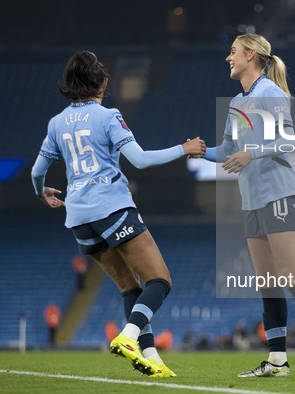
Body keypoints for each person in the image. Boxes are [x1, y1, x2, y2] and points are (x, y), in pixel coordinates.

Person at [31, 50, 206, 377]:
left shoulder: (56, 124)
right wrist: (184, 149)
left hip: (79, 219)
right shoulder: (108, 116)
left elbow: (37, 171)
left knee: (131, 289)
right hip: (112, 208)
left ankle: (151, 357)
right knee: (161, 280)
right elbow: (139, 160)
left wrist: (42, 191)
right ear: (104, 82)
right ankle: (128, 336)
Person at [198, 33, 295, 378]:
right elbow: (229, 150)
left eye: (232, 52)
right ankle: (277, 361)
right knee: (268, 283)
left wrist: (252, 152)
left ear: (251, 55)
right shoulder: (236, 103)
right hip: (253, 201)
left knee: (294, 275)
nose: (227, 58)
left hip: (280, 193)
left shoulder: (271, 93)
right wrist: (200, 151)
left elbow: (289, 138)